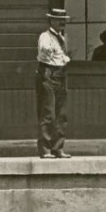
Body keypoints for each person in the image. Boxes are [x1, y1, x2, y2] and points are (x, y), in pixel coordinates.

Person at [35, 8, 72, 159]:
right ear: (51, 21)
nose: (62, 22)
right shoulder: (46, 36)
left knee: (61, 114)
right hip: (48, 74)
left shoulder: (62, 37)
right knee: (48, 113)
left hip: (61, 74)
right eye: (59, 20)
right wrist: (51, 50)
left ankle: (58, 148)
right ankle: (45, 149)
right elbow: (44, 51)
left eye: (63, 20)